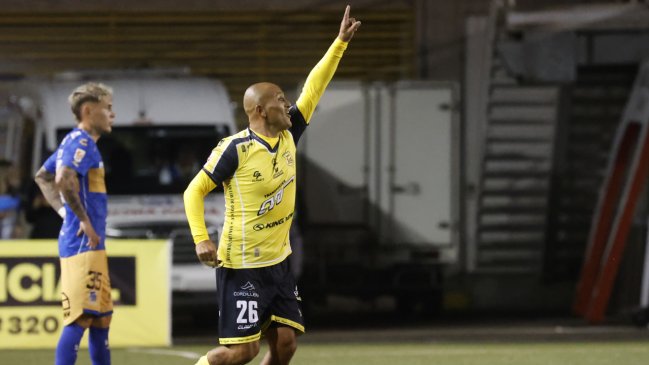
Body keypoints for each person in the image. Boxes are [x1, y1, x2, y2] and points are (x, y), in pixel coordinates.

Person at [183, 6, 360, 365]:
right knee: (243, 352)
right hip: (242, 264)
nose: (288, 103)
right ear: (260, 111)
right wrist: (201, 237)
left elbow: (314, 87)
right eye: (280, 100)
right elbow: (194, 191)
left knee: (286, 344)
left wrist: (339, 43)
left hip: (278, 262)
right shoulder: (235, 149)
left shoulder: (290, 132)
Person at [34, 82, 115, 365]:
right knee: (80, 318)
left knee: (101, 319)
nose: (112, 114)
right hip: (83, 243)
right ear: (88, 110)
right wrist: (80, 219)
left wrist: (63, 212)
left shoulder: (76, 143)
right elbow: (61, 179)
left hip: (92, 244)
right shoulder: (80, 142)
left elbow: (42, 176)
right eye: (107, 108)